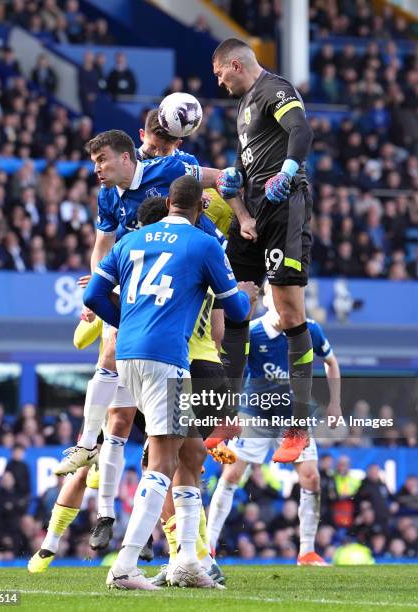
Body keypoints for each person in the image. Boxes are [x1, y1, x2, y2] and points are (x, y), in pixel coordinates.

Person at [83, 175, 258, 589]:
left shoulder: (130, 241)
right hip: (167, 359)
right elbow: (236, 311)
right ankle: (124, 566)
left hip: (126, 357)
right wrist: (246, 294)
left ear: (167, 205)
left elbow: (92, 295)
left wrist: (127, 326)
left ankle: (188, 563)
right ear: (200, 208)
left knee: (192, 450)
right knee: (162, 462)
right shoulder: (203, 244)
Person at [54, 128, 256, 477]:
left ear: (127, 157)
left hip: (182, 277)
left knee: (214, 341)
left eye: (102, 160)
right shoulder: (107, 196)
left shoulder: (170, 170)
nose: (97, 169)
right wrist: (102, 278)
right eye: (94, 162)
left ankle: (203, 429)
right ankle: (90, 447)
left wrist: (243, 216)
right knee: (111, 365)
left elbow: (221, 177)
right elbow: (102, 246)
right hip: (139, 286)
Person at [212, 38, 315, 462]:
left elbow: (301, 131)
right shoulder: (243, 108)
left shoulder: (276, 89)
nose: (220, 83)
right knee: (236, 307)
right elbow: (243, 166)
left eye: (221, 74)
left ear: (236, 64)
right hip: (252, 214)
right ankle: (228, 413)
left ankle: (299, 425)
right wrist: (238, 202)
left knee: (288, 311)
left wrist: (289, 170)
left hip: (285, 206)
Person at [206, 282, 342, 565]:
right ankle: (208, 545)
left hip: (292, 419)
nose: (286, 305)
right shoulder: (252, 333)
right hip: (254, 414)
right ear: (268, 299)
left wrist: (335, 403)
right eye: (279, 298)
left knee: (312, 478)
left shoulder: (309, 329)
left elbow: (331, 361)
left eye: (291, 299)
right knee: (231, 476)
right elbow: (227, 366)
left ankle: (306, 551)